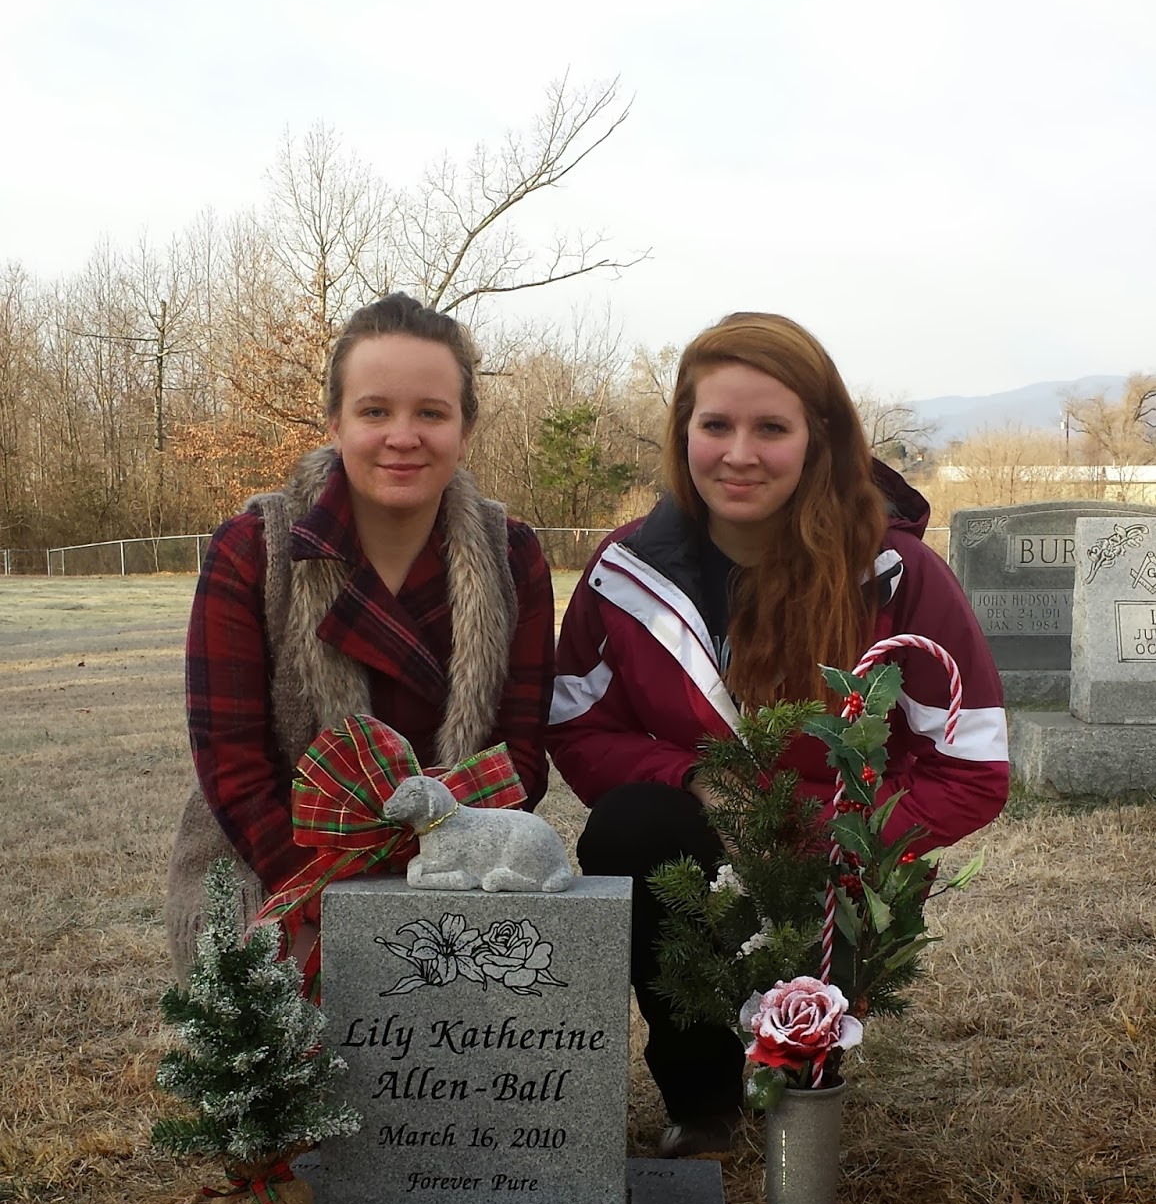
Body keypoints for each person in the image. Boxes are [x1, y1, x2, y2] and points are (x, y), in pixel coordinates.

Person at [548, 312, 1009, 1160]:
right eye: (715, 424)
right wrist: (693, 778)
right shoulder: (623, 572)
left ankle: (801, 1056)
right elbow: (577, 723)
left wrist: (820, 832)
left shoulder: (899, 573)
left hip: (834, 867)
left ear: (820, 435)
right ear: (683, 428)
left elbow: (972, 769)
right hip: (699, 851)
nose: (739, 453)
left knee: (797, 1062)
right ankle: (702, 1098)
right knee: (631, 827)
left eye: (772, 428)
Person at [166, 293, 554, 975]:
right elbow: (233, 768)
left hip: (454, 860)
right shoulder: (250, 550)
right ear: (335, 423)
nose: (402, 436)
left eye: (431, 413)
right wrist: (326, 900)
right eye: (375, 411)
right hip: (275, 862)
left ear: (465, 431)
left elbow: (517, 758)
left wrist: (427, 878)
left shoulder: (514, 557)